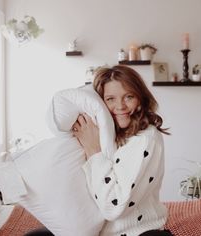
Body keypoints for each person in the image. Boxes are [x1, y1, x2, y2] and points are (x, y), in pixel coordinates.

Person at [72, 65, 172, 236]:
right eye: (110, 99)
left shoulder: (146, 138)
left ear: (140, 98)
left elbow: (114, 207)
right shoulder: (105, 135)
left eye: (129, 97)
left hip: (139, 232)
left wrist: (94, 151)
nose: (120, 106)